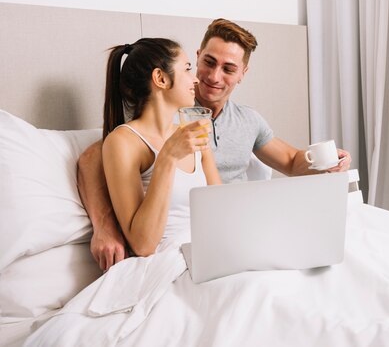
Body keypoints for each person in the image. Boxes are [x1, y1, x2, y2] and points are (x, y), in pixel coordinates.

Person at [78, 19, 352, 269]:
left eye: (229, 69)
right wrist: (104, 224)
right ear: (197, 58)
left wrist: (327, 162)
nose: (210, 77)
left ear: (243, 73)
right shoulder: (156, 118)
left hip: (225, 236)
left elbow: (291, 161)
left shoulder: (239, 121)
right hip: (179, 251)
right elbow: (94, 157)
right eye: (206, 63)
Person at [99, 38, 221, 257]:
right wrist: (167, 158)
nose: (195, 80)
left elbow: (223, 210)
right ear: (161, 78)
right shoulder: (123, 142)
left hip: (210, 252)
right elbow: (142, 245)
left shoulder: (192, 134)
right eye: (187, 69)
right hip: (168, 260)